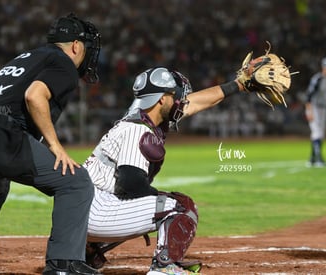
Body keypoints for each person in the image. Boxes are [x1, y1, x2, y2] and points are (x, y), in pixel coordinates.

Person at [0, 13, 102, 275]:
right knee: (76, 182)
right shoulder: (63, 63)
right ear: (76, 46)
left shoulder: (28, 57)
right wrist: (56, 147)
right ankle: (63, 265)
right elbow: (34, 96)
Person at [82, 67, 246, 275]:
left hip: (80, 211)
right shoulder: (138, 129)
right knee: (181, 206)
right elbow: (131, 183)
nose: (180, 101)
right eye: (175, 96)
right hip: (96, 213)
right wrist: (150, 208)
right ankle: (165, 266)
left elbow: (195, 103)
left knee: (149, 203)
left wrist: (238, 85)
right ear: (161, 100)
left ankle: (88, 252)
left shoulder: (136, 119)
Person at [305, 57, 326, 167]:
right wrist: (310, 112)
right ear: (323, 67)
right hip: (314, 107)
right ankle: (319, 159)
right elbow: (308, 97)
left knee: (319, 134)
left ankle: (312, 159)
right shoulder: (318, 79)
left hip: (324, 109)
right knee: (317, 132)